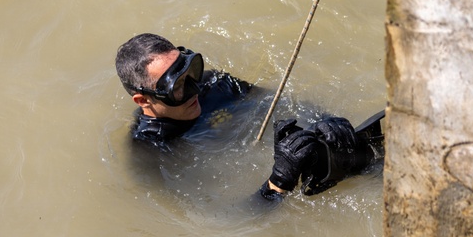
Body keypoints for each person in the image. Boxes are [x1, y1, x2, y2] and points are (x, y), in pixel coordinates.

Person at [115, 32, 384, 199]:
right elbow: (223, 223)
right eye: (177, 87)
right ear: (143, 100)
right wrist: (278, 183)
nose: (196, 88)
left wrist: (326, 120)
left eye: (191, 71)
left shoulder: (214, 85)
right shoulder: (151, 151)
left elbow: (278, 103)